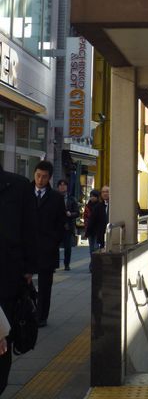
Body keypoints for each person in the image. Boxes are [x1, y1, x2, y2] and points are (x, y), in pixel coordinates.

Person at [0, 164, 37, 395]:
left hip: (7, 276)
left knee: (3, 336)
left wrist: (28, 269)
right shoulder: (20, 186)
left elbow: (30, 230)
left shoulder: (19, 186)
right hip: (9, 275)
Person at [32, 160, 66, 327]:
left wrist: (53, 242)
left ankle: (42, 316)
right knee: (23, 282)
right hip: (27, 247)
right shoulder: (24, 193)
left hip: (47, 248)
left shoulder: (56, 198)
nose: (40, 180)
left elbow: (61, 223)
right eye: (38, 175)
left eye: (44, 177)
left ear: (50, 178)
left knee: (45, 285)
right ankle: (27, 312)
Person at [57, 179, 79, 271]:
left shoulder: (72, 199)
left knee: (67, 247)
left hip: (68, 226)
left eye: (64, 185)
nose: (62, 187)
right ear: (58, 187)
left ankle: (67, 264)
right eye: (60, 185)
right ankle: (54, 264)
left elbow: (77, 213)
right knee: (54, 246)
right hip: (56, 226)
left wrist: (71, 214)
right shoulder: (54, 197)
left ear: (67, 187)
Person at [85, 186, 110, 257]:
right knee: (96, 251)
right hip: (99, 233)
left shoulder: (114, 205)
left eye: (107, 192)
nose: (105, 193)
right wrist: (87, 232)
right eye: (103, 192)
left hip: (111, 232)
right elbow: (91, 220)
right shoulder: (98, 206)